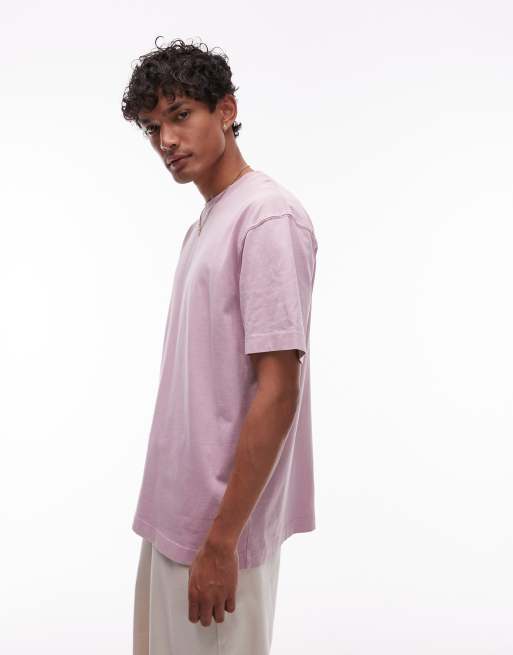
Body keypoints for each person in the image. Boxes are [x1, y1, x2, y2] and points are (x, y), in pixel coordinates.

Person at [121, 37, 319, 655]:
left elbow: (279, 390)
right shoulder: (207, 222)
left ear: (226, 110)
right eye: (153, 127)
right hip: (176, 517)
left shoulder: (267, 218)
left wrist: (222, 541)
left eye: (180, 115)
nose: (166, 140)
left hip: (218, 531)